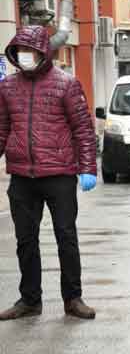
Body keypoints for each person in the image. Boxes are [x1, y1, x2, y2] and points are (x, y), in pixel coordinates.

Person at [0, 26, 98, 321]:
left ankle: (73, 298)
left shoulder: (66, 84)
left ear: (44, 52)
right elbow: (2, 128)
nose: (24, 57)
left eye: (29, 51)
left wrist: (87, 168)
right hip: (21, 176)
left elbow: (83, 129)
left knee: (66, 236)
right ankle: (30, 299)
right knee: (25, 240)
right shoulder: (6, 87)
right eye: (19, 51)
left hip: (59, 174)